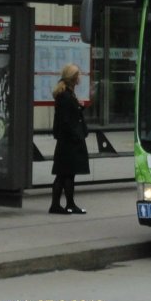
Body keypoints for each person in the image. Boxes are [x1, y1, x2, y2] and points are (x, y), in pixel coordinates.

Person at [49, 64, 89, 215]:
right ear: (73, 78)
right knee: (68, 173)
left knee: (62, 173)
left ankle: (57, 205)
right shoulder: (66, 95)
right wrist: (76, 135)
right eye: (78, 75)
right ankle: (69, 204)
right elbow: (66, 120)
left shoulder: (66, 94)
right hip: (69, 141)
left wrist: (79, 108)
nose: (80, 77)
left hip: (65, 140)